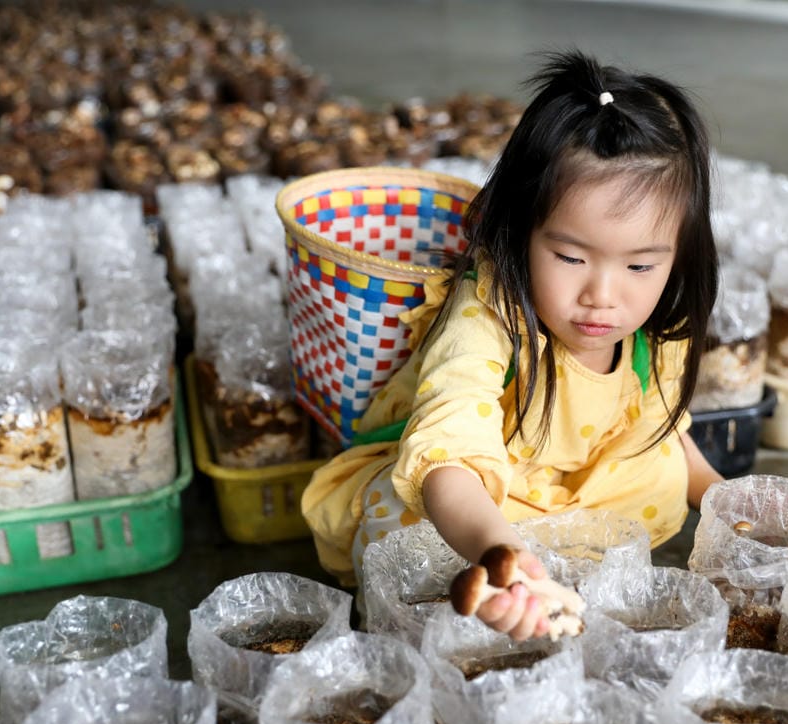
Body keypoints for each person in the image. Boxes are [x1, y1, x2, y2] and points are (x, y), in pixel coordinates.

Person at [302, 50, 724, 640]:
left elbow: (665, 425)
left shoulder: (657, 325)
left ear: (678, 257)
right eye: (571, 258)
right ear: (520, 233)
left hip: (590, 492)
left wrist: (725, 498)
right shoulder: (489, 315)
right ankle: (525, 584)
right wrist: (503, 555)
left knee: (660, 472)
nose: (602, 296)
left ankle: (554, 581)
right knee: (399, 519)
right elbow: (449, 456)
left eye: (640, 264)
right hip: (485, 497)